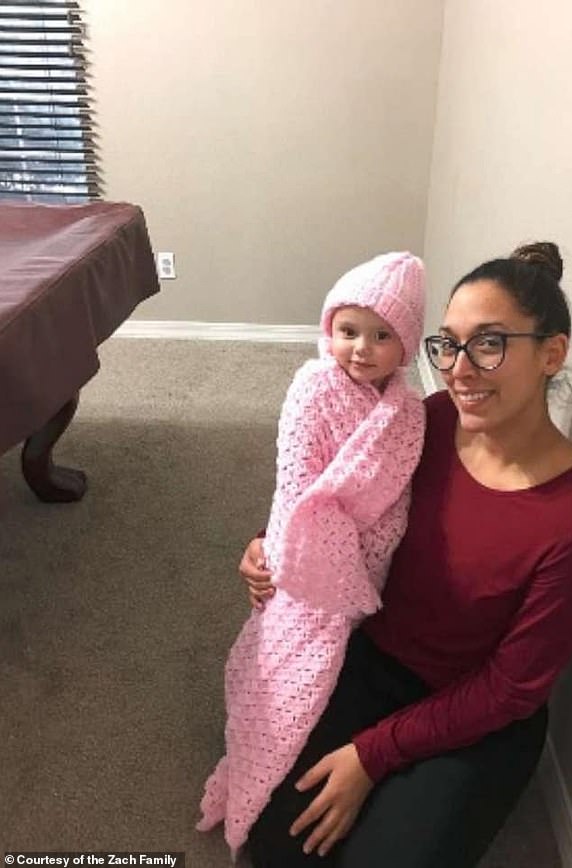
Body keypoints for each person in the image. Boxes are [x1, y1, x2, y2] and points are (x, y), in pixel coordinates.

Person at [240, 241, 572, 868]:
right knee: (275, 841)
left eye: (490, 343)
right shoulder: (430, 420)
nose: (458, 370)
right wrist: (271, 542)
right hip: (373, 656)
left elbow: (510, 689)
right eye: (448, 344)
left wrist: (372, 755)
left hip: (477, 714)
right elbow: (343, 493)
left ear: (552, 354)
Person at [196, 252, 427, 856]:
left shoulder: (408, 413)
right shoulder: (312, 388)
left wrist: (365, 552)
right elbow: (297, 489)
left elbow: (393, 499)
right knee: (283, 665)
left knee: (342, 676)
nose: (361, 348)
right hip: (307, 562)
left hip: (369, 560)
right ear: (329, 329)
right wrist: (294, 549)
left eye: (381, 336)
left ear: (405, 345)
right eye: (348, 331)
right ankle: (257, 750)